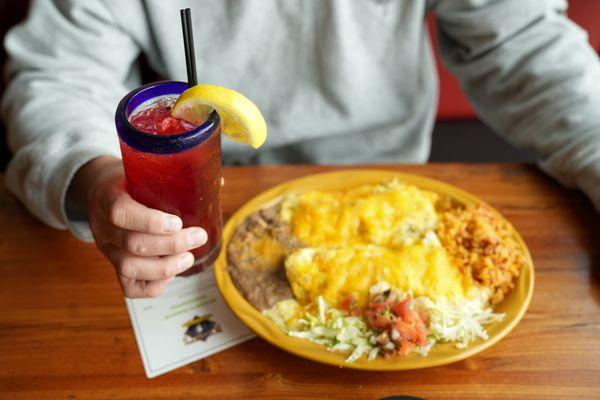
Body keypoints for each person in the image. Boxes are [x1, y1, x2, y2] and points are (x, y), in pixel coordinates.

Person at [2, 0, 599, 298]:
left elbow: (523, 42)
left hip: (392, 190)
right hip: (199, 209)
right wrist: (92, 177)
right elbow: (58, 74)